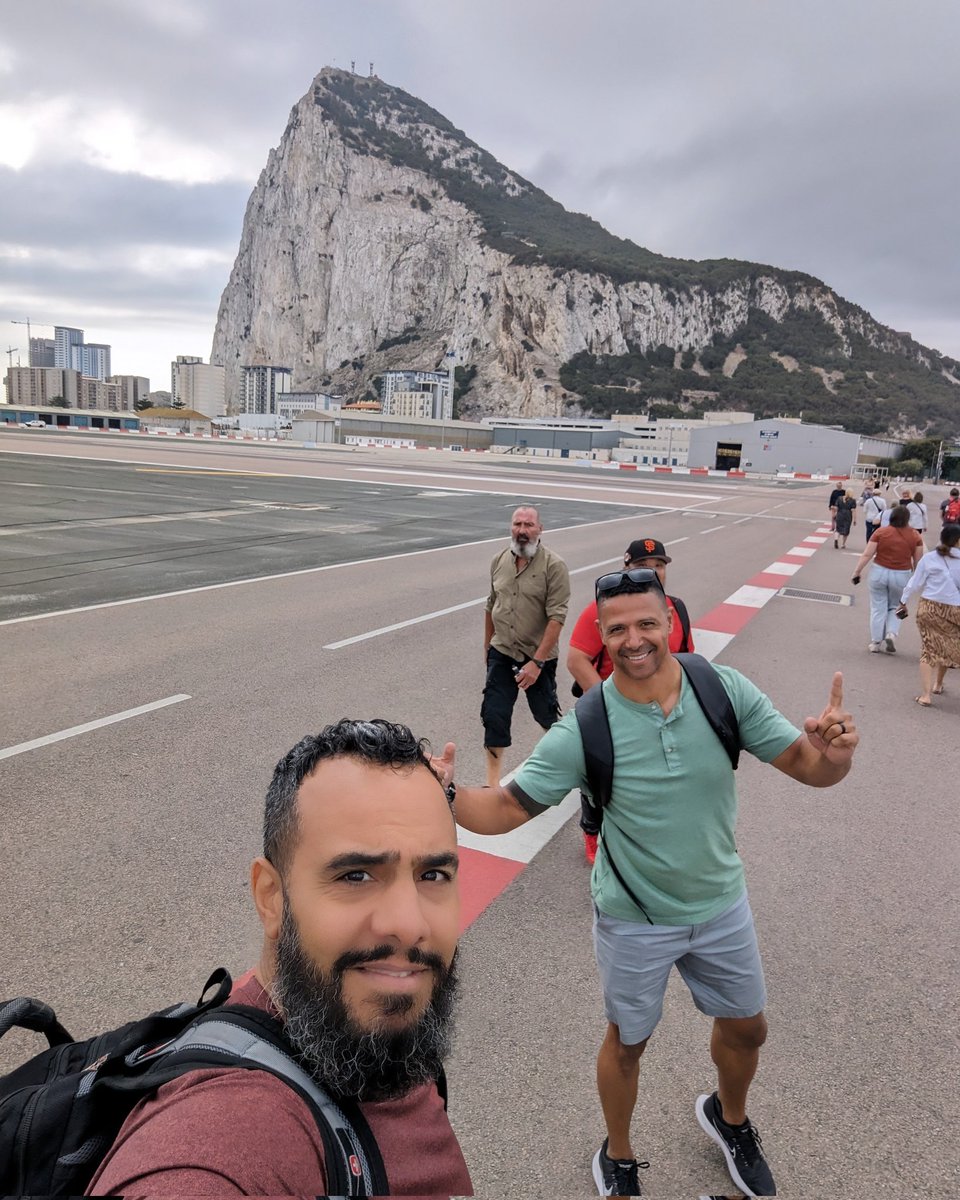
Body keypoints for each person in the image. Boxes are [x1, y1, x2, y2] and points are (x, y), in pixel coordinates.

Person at [435, 570, 858, 1198]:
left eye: (646, 624)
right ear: (603, 638)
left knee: (749, 1028)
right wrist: (440, 792)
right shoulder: (588, 726)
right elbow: (505, 808)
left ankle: (729, 1118)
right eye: (618, 629)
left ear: (670, 625)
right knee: (627, 1043)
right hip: (634, 917)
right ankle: (620, 1155)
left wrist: (836, 756)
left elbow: (807, 766)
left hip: (720, 905)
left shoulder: (721, 690)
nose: (634, 639)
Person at [89, 719, 472, 1196]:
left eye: (433, 874)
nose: (410, 924)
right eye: (356, 875)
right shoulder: (220, 1135)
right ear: (271, 898)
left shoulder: (366, 1022)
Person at [567, 536, 694, 864]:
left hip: (659, 711)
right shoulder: (603, 612)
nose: (653, 571)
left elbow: (686, 659)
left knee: (652, 775)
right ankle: (592, 831)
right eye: (642, 566)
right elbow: (577, 659)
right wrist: (607, 707)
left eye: (659, 566)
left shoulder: (675, 609)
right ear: (627, 569)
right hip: (610, 707)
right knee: (598, 775)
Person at [482, 504, 571, 787]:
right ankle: (492, 785)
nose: (522, 531)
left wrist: (537, 662)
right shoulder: (498, 560)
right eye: (518, 524)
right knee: (494, 717)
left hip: (538, 657)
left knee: (546, 715)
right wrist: (488, 648)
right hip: (502, 651)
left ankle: (566, 766)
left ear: (540, 529)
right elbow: (490, 605)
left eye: (528, 525)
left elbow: (557, 617)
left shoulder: (553, 566)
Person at [897, 524, 960, 706]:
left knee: (929, 650)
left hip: (929, 609)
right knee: (948, 647)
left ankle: (925, 695)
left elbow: (914, 583)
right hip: (955, 610)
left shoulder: (930, 558)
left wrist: (903, 601)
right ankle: (938, 684)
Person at [851, 505, 923, 653]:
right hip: (902, 574)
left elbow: (867, 554)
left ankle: (876, 642)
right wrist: (915, 581)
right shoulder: (915, 535)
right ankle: (891, 633)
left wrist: (857, 571)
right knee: (895, 606)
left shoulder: (881, 532)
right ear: (907, 519)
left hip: (879, 572)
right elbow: (918, 561)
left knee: (878, 607)